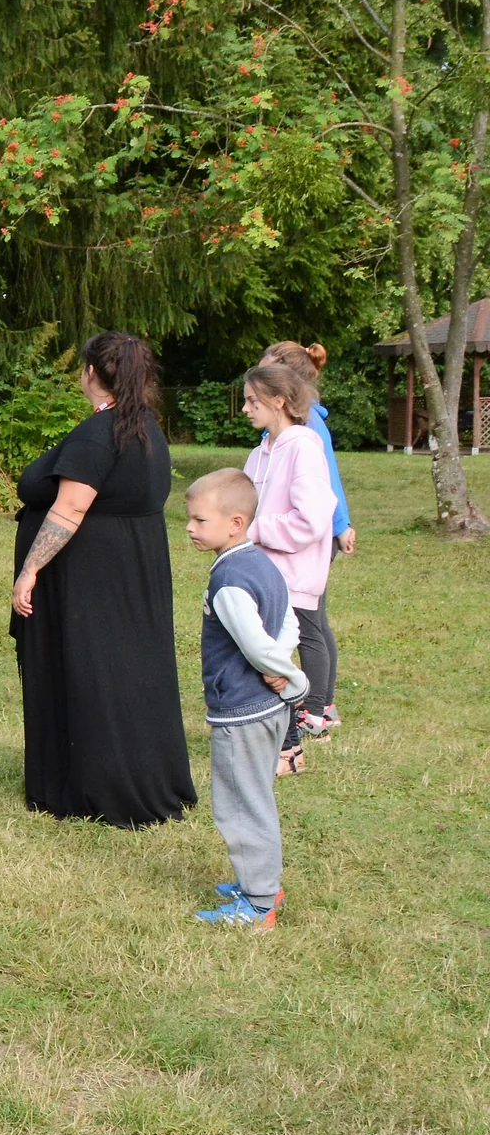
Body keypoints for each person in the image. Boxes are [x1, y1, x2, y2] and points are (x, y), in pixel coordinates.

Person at [11, 330, 195, 826]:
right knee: (128, 668)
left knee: (98, 669)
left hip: (93, 573)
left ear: (91, 372)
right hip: (132, 563)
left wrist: (30, 568)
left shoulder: (102, 432)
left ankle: (100, 784)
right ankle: (129, 771)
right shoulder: (143, 427)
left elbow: (70, 507)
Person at [183, 469, 306, 928]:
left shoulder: (230, 580)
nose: (190, 528)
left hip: (242, 712)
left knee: (240, 805)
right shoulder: (259, 563)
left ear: (235, 523)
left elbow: (255, 644)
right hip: (268, 710)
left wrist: (290, 677)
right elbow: (288, 620)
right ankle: (264, 880)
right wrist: (280, 668)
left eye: (199, 520)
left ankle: (258, 904)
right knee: (256, 797)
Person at [239, 360, 337, 777]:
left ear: (278, 401)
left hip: (291, 578)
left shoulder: (302, 446)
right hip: (258, 574)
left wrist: (256, 530)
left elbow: (313, 519)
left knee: (273, 662)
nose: (245, 408)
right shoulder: (260, 453)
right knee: (258, 658)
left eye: (252, 400)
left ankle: (289, 750)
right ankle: (267, 740)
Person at [258, 341, 351, 739]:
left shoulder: (306, 427)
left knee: (308, 623)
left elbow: (325, 482)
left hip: (310, 539)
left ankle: (315, 710)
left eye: (265, 372)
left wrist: (341, 525)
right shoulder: (294, 425)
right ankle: (322, 705)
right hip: (312, 535)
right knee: (315, 620)